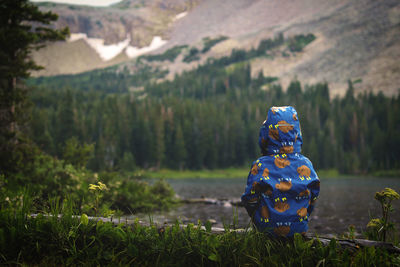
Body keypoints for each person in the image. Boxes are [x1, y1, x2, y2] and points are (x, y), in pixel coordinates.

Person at [241, 106, 320, 237]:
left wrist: (257, 218)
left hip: (265, 231)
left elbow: (249, 198)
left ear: (267, 133)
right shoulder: (306, 164)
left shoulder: (260, 165)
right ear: (297, 133)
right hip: (299, 231)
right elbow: (313, 196)